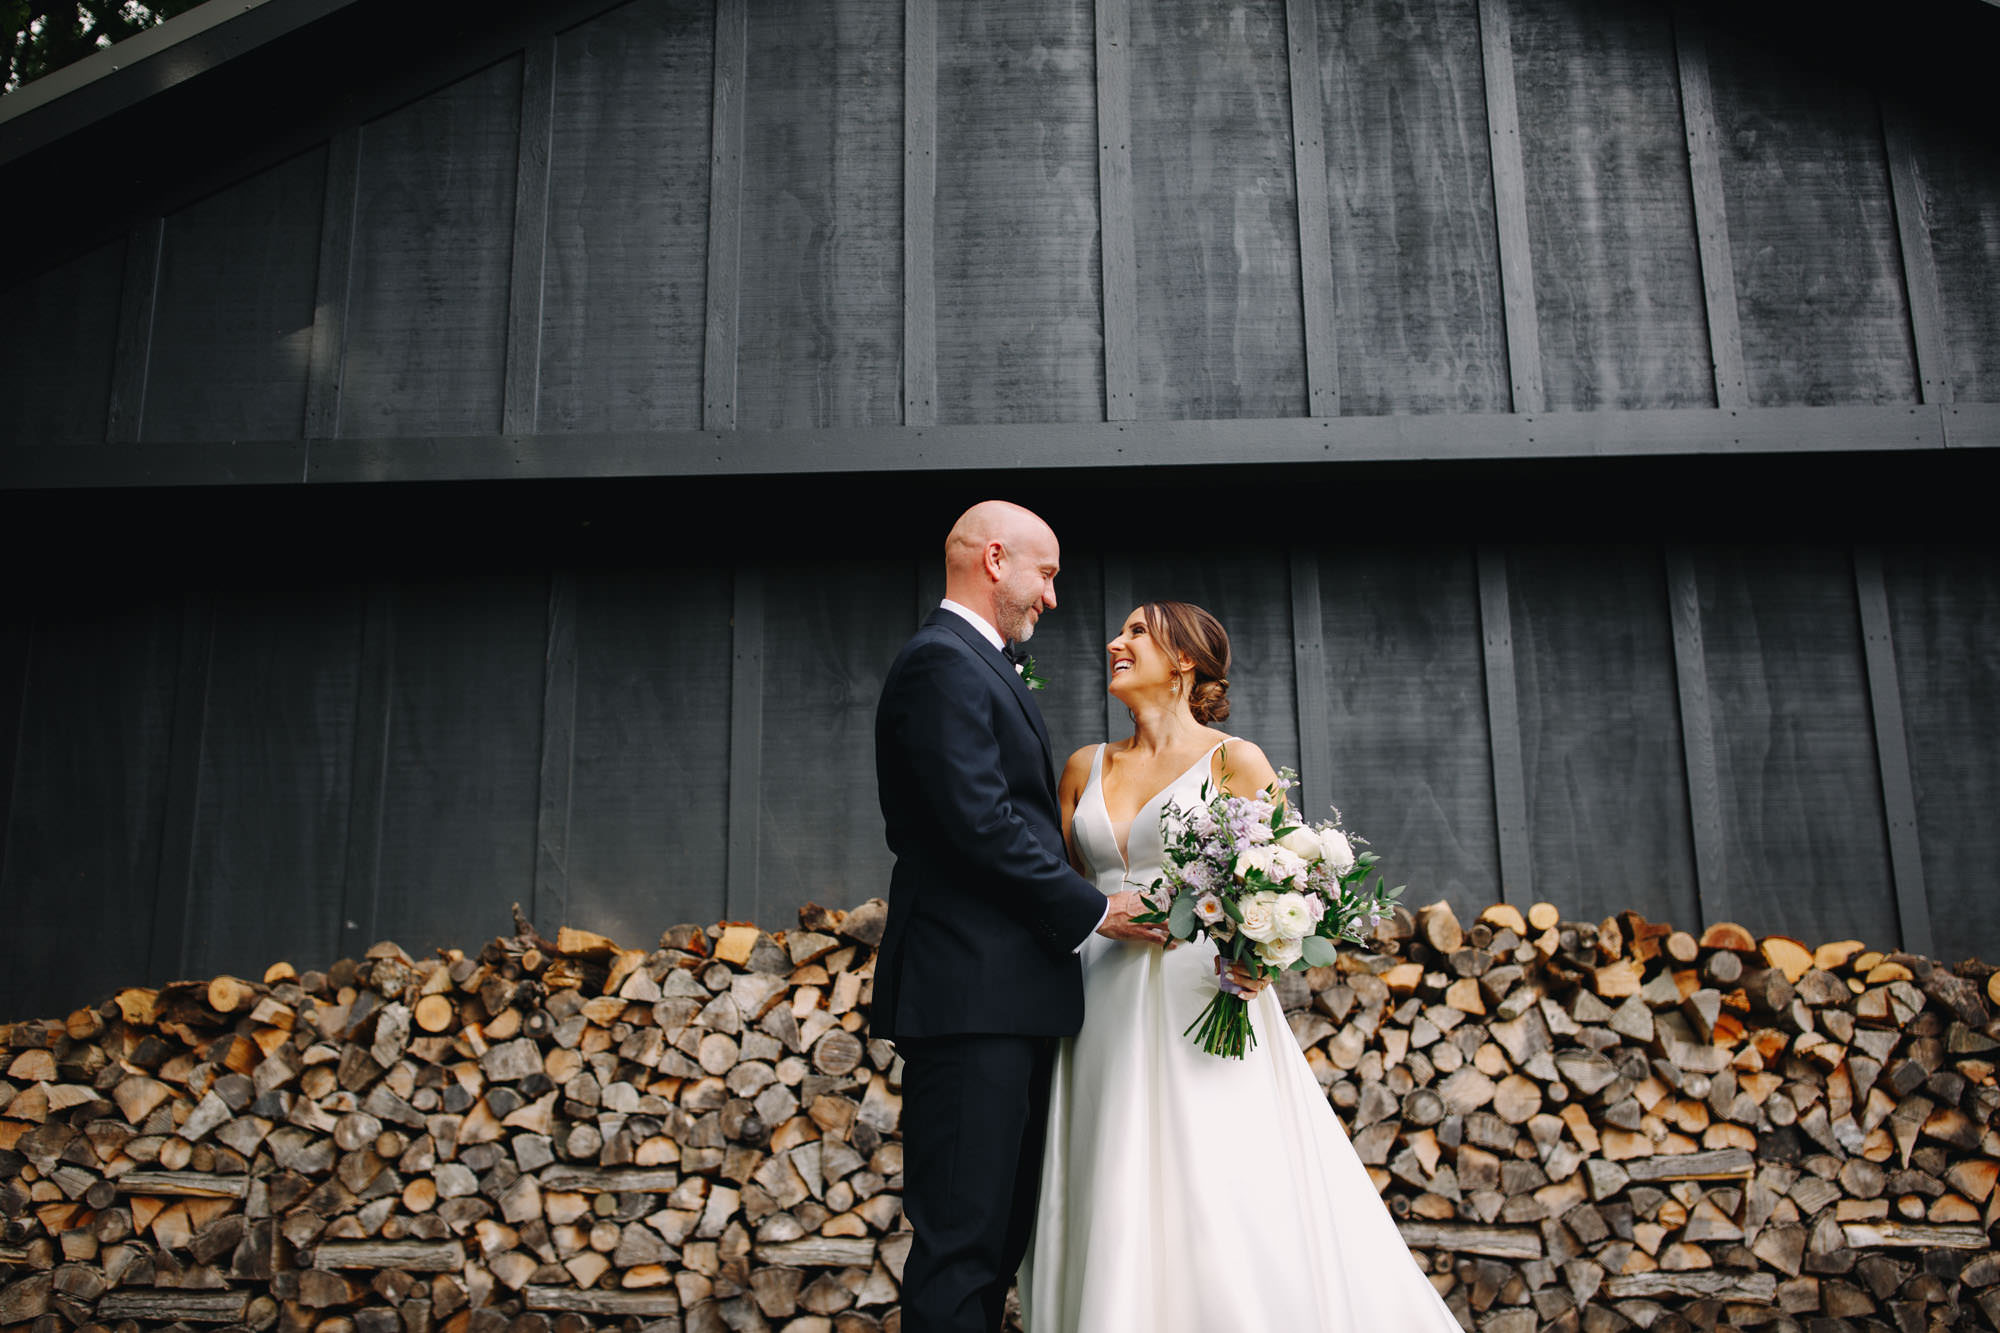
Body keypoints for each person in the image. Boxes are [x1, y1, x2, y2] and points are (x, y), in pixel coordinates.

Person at [1019, 600, 1463, 1331]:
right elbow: (1059, 888)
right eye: (1120, 631)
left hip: (1200, 994)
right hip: (1095, 997)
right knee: (1107, 1166)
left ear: (1184, 659)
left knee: (1216, 1176)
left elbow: (1292, 882)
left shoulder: (1236, 760)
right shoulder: (1081, 767)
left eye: (1136, 632)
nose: (1115, 643)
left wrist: (1263, 956)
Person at [872, 501, 1168, 1333]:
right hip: (971, 999)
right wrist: (1094, 908)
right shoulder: (941, 662)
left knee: (996, 1243)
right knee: (962, 1245)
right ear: (996, 560)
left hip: (1008, 999)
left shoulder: (972, 661)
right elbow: (977, 820)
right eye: (1047, 573)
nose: (1053, 596)